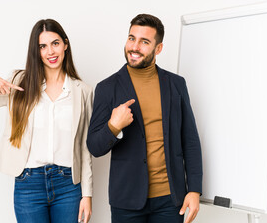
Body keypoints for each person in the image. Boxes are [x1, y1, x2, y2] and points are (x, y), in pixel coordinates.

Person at [0, 19, 93, 223]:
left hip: (68, 185)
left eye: (55, 43)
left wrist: (87, 195)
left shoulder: (82, 91)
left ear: (65, 44)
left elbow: (85, 147)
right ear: (36, 51)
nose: (50, 52)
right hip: (28, 184)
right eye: (43, 46)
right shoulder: (19, 83)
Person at [87, 14, 203, 223]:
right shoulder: (107, 88)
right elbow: (94, 147)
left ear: (158, 48)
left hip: (170, 199)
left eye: (144, 42)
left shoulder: (176, 84)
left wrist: (194, 190)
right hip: (127, 201)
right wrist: (113, 126)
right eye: (132, 38)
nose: (135, 46)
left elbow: (190, 140)